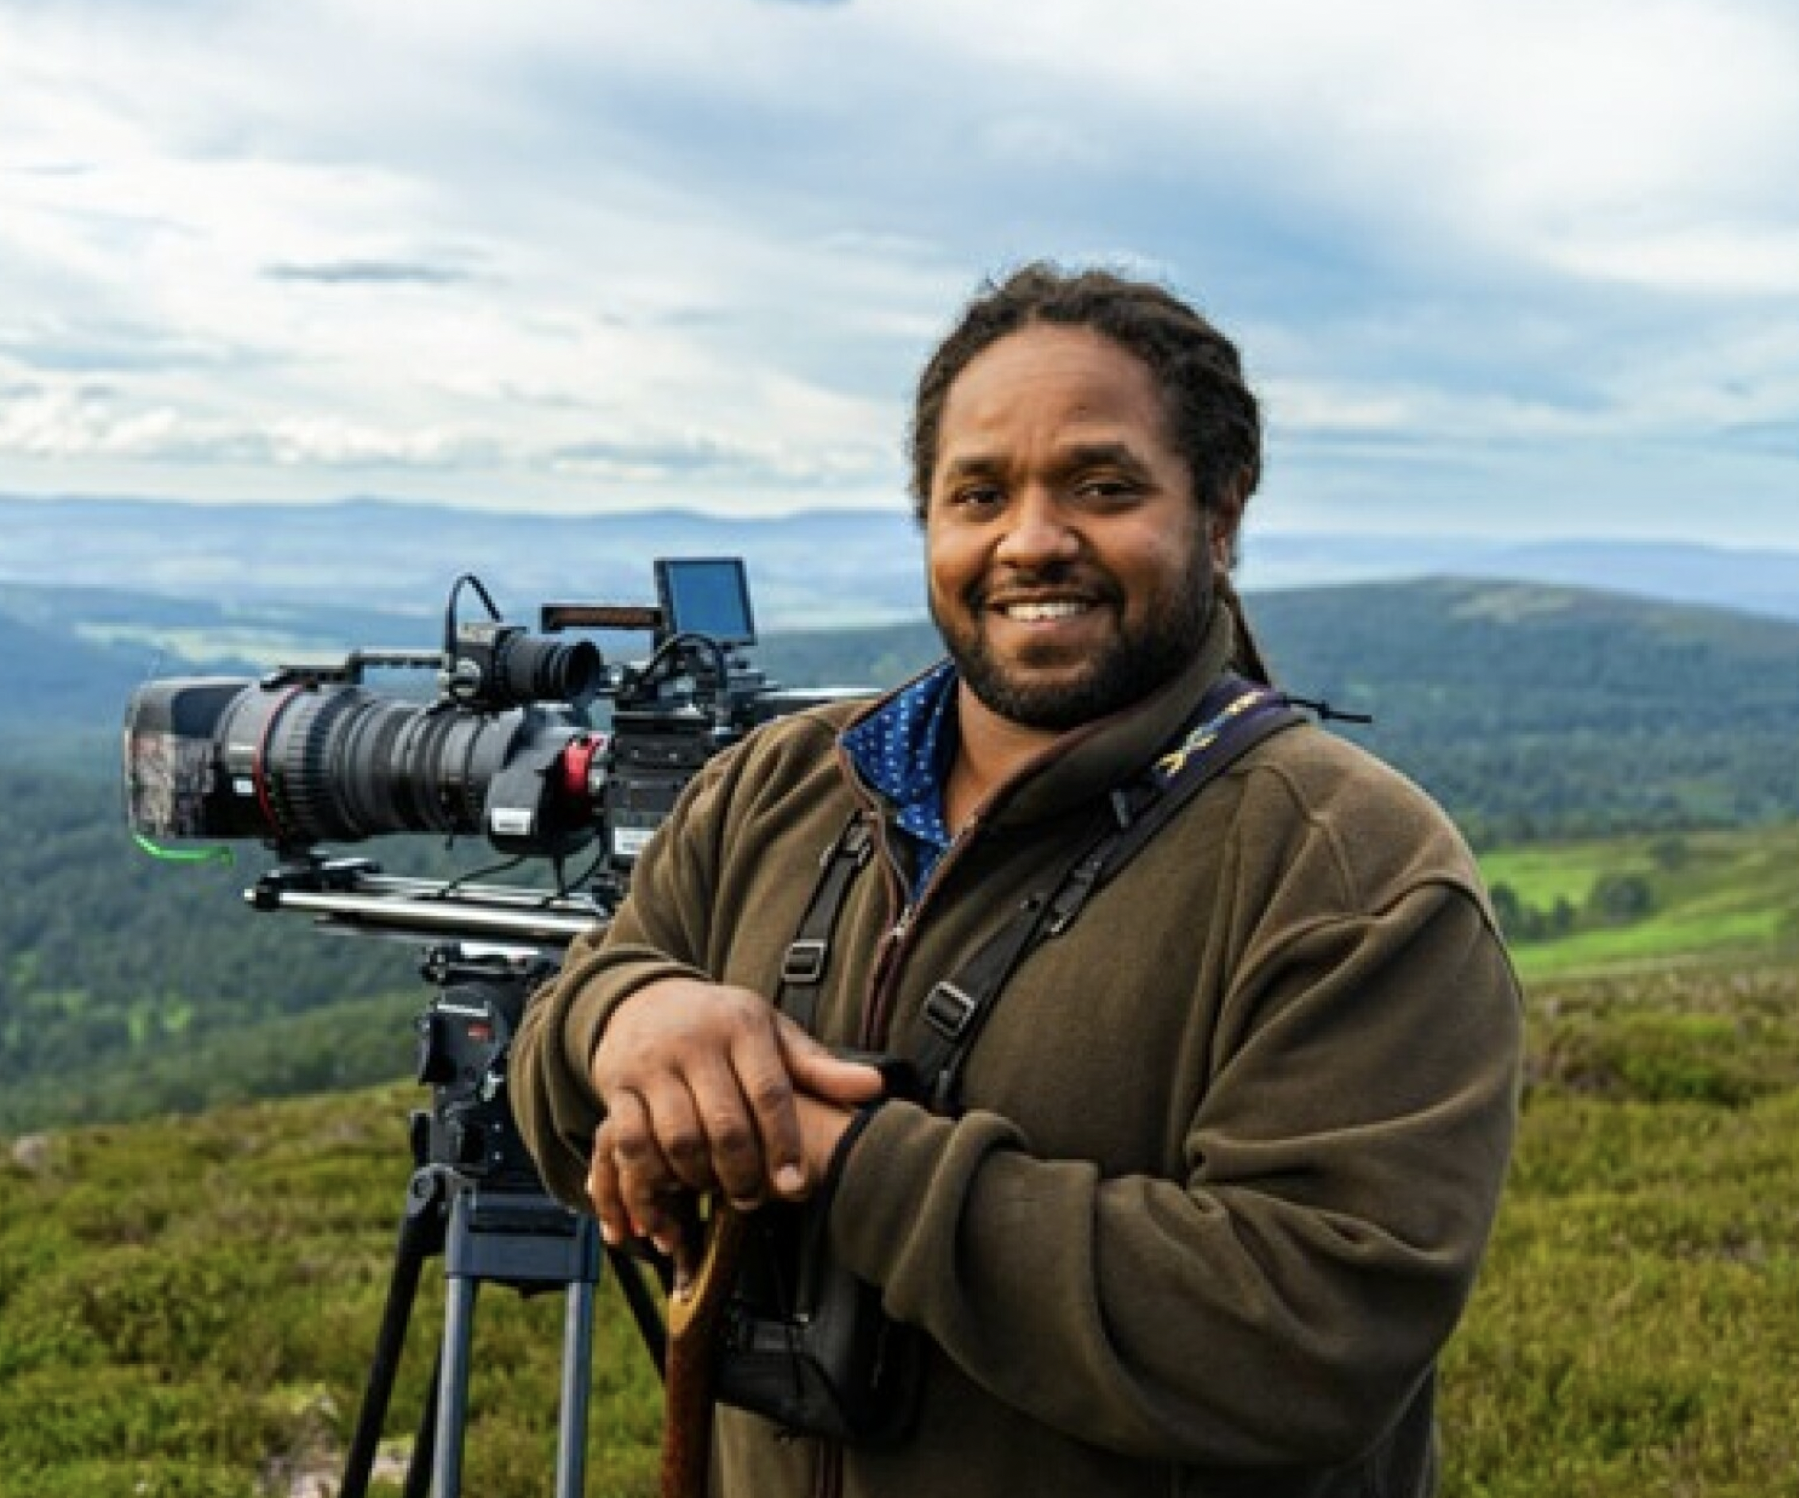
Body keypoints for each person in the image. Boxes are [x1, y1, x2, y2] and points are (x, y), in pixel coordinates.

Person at [509, 263, 1523, 1497]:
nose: (1030, 540)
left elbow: (1307, 1335)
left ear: (1220, 512)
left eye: (1102, 486)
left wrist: (844, 1158)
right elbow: (566, 1054)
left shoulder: (1348, 869)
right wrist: (623, 1023)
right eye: (977, 492)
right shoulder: (779, 786)